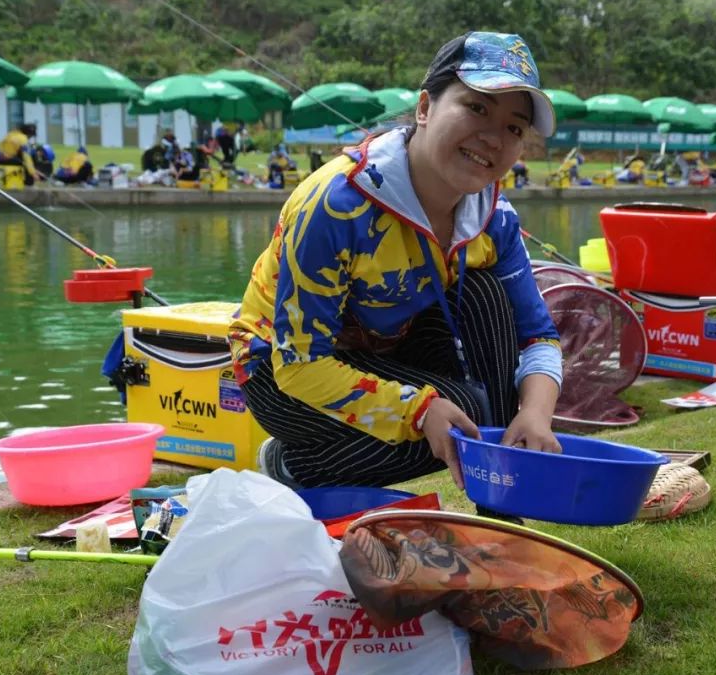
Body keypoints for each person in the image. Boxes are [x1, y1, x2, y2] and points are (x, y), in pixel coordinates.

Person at [229, 31, 563, 495]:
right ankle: (294, 462)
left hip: (387, 345)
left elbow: (538, 335)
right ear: (425, 108)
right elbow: (300, 365)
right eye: (477, 107)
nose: (493, 137)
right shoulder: (337, 205)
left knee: (486, 301)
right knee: (459, 410)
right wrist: (419, 410)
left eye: (514, 127)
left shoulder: (495, 216)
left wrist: (534, 415)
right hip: (279, 366)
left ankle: (499, 494)